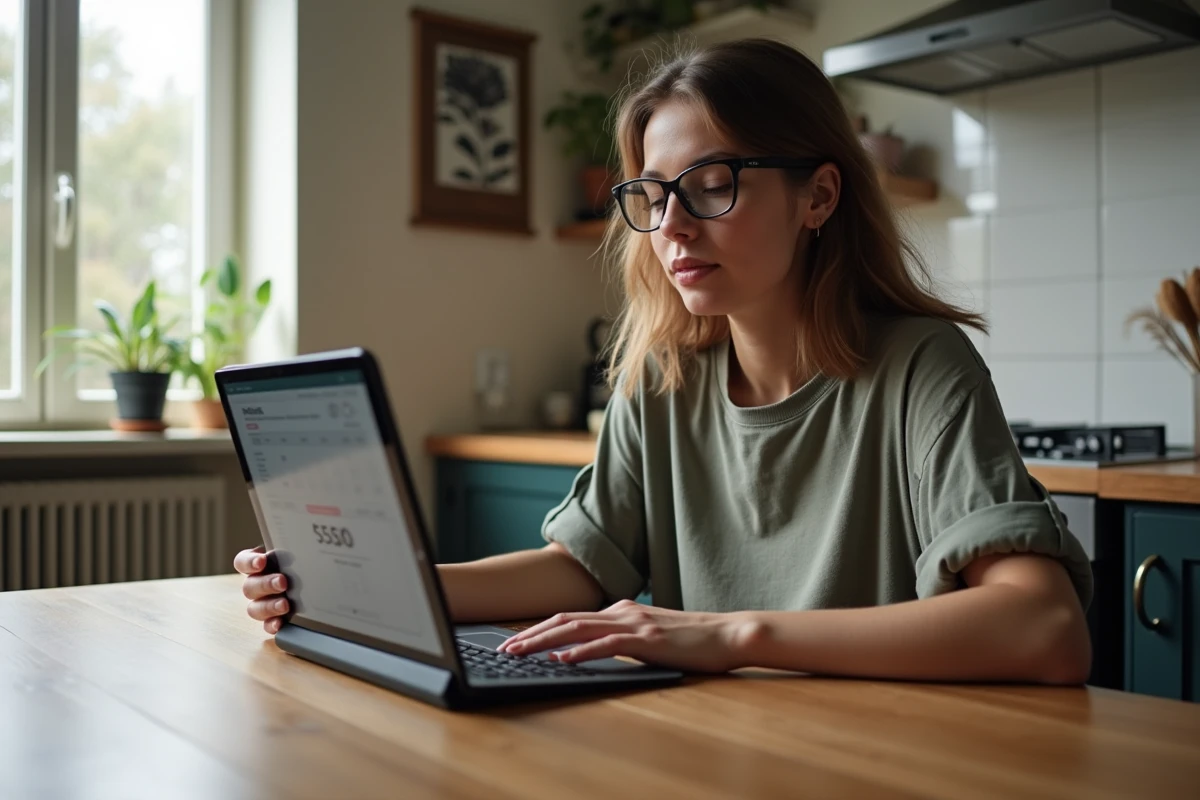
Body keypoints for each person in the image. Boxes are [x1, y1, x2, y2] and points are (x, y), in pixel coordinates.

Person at [236, 39, 1093, 684]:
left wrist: (730, 635)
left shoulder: (920, 368)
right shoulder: (664, 376)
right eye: (652, 194)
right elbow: (581, 566)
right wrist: (370, 586)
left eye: (713, 183)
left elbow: (1045, 627)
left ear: (819, 196)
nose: (674, 225)